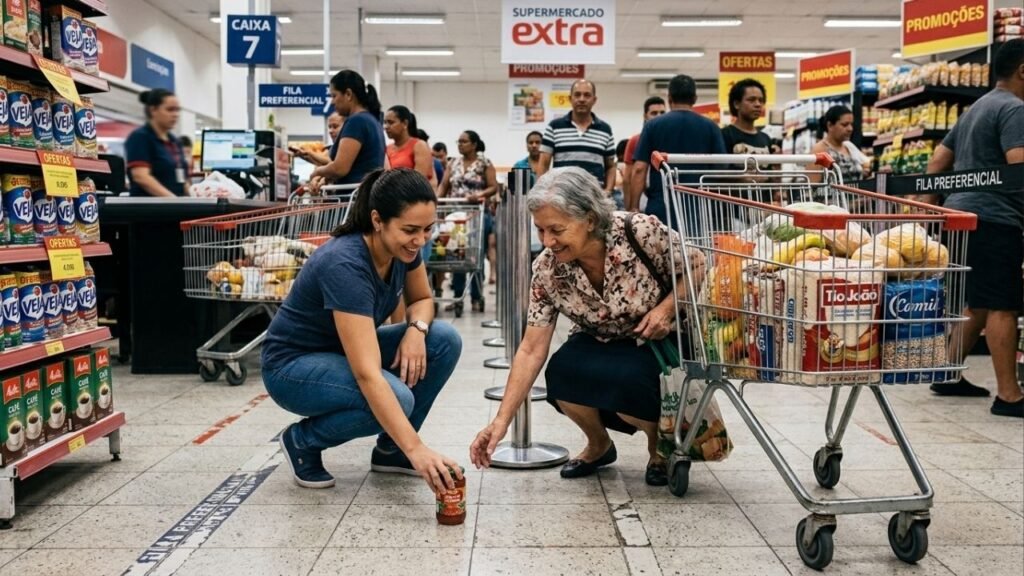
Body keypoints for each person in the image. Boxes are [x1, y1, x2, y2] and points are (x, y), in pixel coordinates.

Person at [469, 167, 702, 486]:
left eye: (556, 230)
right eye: (540, 230)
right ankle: (598, 443)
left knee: (631, 381)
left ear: (590, 219)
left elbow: (698, 266)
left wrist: (665, 311)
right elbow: (531, 348)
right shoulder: (548, 270)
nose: (547, 241)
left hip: (656, 339)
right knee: (561, 371)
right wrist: (500, 422)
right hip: (599, 340)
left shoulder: (639, 231)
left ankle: (658, 446)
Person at [261, 168, 464, 493]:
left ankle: (392, 451)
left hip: (340, 351)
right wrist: (418, 450)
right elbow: (367, 374)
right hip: (291, 367)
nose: (421, 240)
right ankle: (302, 440)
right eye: (410, 230)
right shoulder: (346, 265)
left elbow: (423, 299)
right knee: (397, 397)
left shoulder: (403, 250)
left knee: (443, 340)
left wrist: (416, 330)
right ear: (377, 220)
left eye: (427, 229)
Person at [919, 38, 1024, 418]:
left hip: (960, 217)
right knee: (1003, 305)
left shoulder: (976, 108)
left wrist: (925, 214)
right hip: (994, 217)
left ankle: (947, 373)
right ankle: (1009, 395)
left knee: (978, 301)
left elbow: (938, 161)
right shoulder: (1015, 109)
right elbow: (1018, 168)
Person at [630, 75, 727, 228]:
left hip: (661, 208)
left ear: (669, 98)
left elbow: (639, 169)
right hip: (699, 209)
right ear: (694, 99)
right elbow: (721, 169)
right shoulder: (711, 127)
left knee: (660, 242)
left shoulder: (652, 126)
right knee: (696, 244)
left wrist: (633, 207)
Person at [437, 130, 497, 313]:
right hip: (455, 216)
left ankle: (477, 296)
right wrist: (436, 201)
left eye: (464, 141)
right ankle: (458, 297)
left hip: (476, 215)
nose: (460, 144)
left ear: (474, 144)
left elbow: (493, 187)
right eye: (459, 141)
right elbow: (444, 185)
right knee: (456, 256)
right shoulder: (453, 163)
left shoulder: (484, 163)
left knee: (475, 256)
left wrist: (479, 195)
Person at [538, 79, 617, 199]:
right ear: (570, 99)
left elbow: (611, 166)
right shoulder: (554, 127)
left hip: (594, 198)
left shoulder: (605, 130)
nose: (581, 99)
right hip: (561, 197)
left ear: (594, 100)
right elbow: (543, 164)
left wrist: (608, 191)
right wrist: (542, 193)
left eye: (587, 95)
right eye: (577, 94)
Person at [310, 70, 385, 192]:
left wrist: (317, 172)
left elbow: (340, 168)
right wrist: (326, 177)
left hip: (354, 196)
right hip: (366, 193)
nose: (332, 102)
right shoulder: (372, 121)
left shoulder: (356, 121)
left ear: (348, 94)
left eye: (334, 96)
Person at [125, 89, 190, 197]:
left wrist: (195, 198)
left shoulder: (175, 142)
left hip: (177, 204)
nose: (175, 115)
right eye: (170, 110)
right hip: (151, 205)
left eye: (177, 110)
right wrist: (173, 200)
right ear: (153, 110)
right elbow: (141, 176)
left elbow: (182, 179)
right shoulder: (141, 137)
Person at [623, 96, 667, 211]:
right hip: (641, 199)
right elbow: (627, 178)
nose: (659, 116)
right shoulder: (635, 141)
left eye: (662, 113)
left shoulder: (670, 139)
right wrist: (630, 208)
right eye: (654, 113)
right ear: (645, 116)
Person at [807, 105, 869, 184]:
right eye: (844, 125)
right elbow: (812, 185)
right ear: (830, 125)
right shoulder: (819, 150)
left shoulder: (849, 146)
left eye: (851, 124)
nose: (850, 129)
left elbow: (866, 164)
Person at [384, 106, 436, 187]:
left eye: (391, 122)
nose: (386, 126)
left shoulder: (419, 146)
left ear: (405, 123)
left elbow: (418, 180)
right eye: (385, 122)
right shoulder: (387, 148)